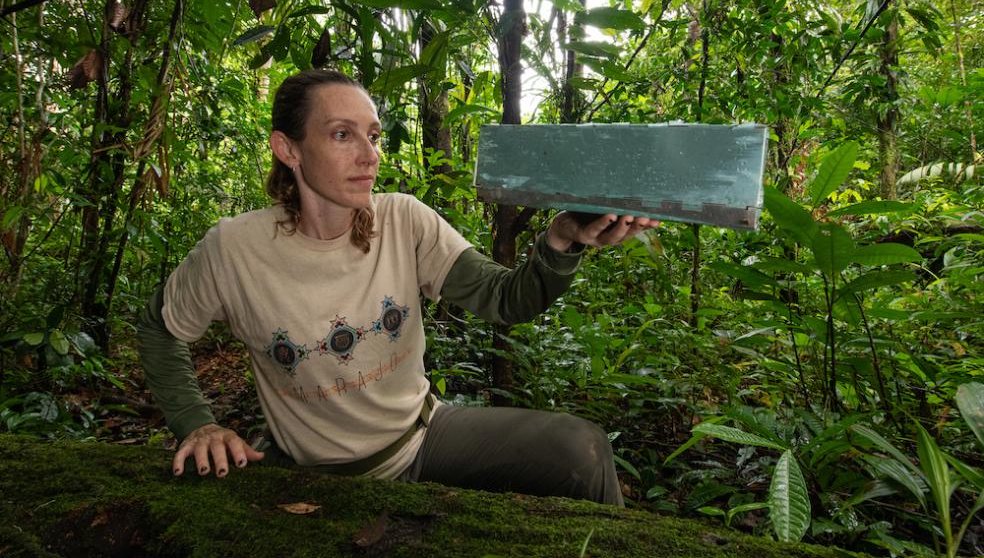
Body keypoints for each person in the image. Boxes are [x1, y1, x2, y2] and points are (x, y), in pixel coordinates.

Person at [136, 69, 657, 507]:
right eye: (342, 135)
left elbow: (505, 299)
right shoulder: (235, 249)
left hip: (422, 439)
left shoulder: (404, 220)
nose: (369, 155)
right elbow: (160, 327)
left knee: (580, 450)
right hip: (308, 470)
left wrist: (562, 241)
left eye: (374, 135)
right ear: (288, 149)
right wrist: (196, 424)